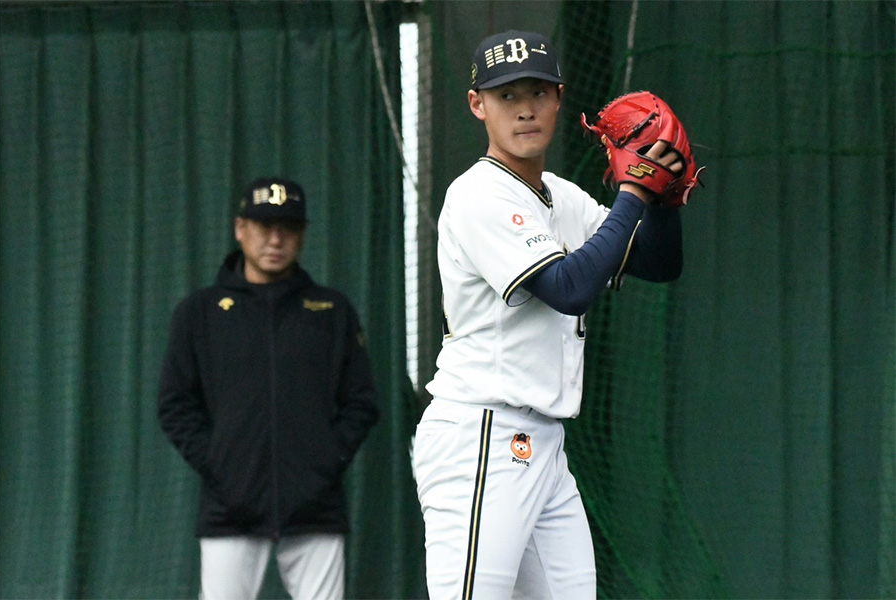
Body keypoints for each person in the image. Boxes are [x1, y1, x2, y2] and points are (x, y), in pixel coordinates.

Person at [411, 31, 685, 599]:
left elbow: (659, 263)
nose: (526, 108)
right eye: (507, 95)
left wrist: (663, 197)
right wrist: (634, 194)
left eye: (537, 91)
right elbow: (569, 287)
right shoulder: (477, 194)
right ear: (477, 105)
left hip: (544, 446)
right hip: (480, 435)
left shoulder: (561, 194)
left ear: (560, 98)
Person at [157, 177, 379, 600]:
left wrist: (324, 459)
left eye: (288, 227)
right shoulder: (199, 313)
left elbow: (361, 402)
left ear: (303, 234)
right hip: (230, 507)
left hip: (316, 505)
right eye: (264, 226)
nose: (275, 238)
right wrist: (220, 462)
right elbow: (174, 404)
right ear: (240, 228)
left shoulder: (332, 311)